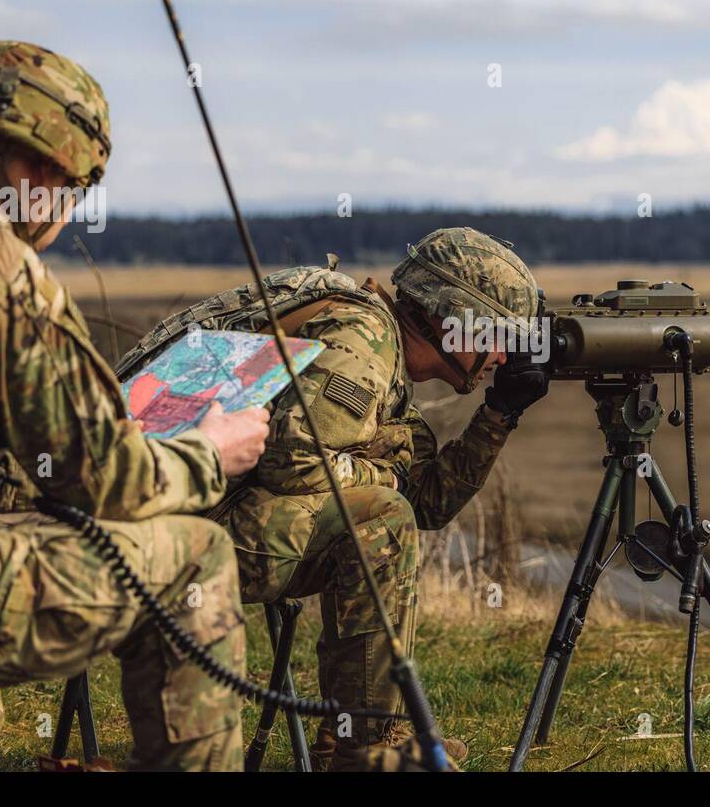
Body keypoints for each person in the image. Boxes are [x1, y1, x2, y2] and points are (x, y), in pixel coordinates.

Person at [0, 41, 270, 771]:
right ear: (41, 172)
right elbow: (107, 478)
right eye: (75, 191)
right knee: (193, 558)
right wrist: (207, 453)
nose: (67, 216)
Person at [117, 228, 550, 769]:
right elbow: (294, 464)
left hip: (179, 505)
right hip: (171, 531)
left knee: (383, 512)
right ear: (451, 321)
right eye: (496, 335)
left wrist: (499, 414)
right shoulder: (363, 344)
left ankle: (365, 733)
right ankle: (363, 749)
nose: (501, 354)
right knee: (380, 521)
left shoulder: (375, 345)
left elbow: (431, 502)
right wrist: (386, 471)